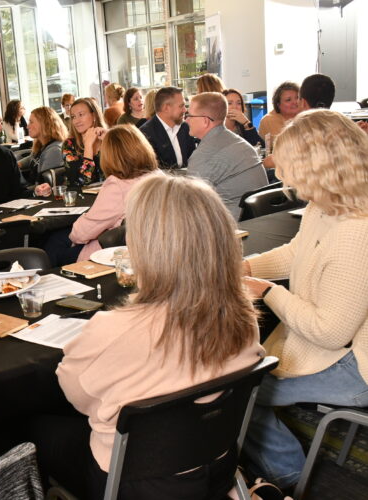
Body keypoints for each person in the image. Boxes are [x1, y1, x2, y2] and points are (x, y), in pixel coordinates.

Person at [34, 174, 264, 499]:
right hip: (216, 465)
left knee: (32, 430)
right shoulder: (244, 315)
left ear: (146, 247)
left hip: (131, 481)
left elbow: (77, 397)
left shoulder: (113, 330)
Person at [242, 110, 368, 492]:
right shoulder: (328, 204)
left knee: (235, 392)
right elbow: (297, 253)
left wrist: (267, 291)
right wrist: (243, 265)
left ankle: (292, 480)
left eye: (290, 167)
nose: (283, 178)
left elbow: (330, 332)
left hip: (358, 365)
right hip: (344, 345)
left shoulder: (357, 233)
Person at [69, 125, 158, 262]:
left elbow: (81, 233)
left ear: (109, 155)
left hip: (111, 260)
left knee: (55, 244)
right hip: (151, 253)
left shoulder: (117, 186)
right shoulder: (159, 178)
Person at [186, 92, 268, 219]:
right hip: (258, 219)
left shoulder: (204, 155)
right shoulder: (239, 141)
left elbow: (192, 206)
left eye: (190, 115)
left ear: (205, 121)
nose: (186, 120)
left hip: (233, 227)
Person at [140, 86, 196, 169]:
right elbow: (152, 171)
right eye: (181, 106)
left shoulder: (185, 127)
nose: (185, 110)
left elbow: (193, 160)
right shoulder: (145, 134)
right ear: (166, 108)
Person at [62, 97, 107, 186]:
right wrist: (88, 146)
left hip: (111, 194)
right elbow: (81, 182)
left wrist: (110, 141)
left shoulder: (107, 138)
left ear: (94, 115)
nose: (76, 121)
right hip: (82, 197)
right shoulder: (69, 145)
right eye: (73, 117)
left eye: (81, 115)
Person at [23, 106, 69, 184]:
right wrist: (15, 164)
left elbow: (42, 184)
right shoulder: (43, 145)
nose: (27, 126)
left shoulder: (54, 151)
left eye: (31, 122)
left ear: (44, 124)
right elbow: (33, 159)